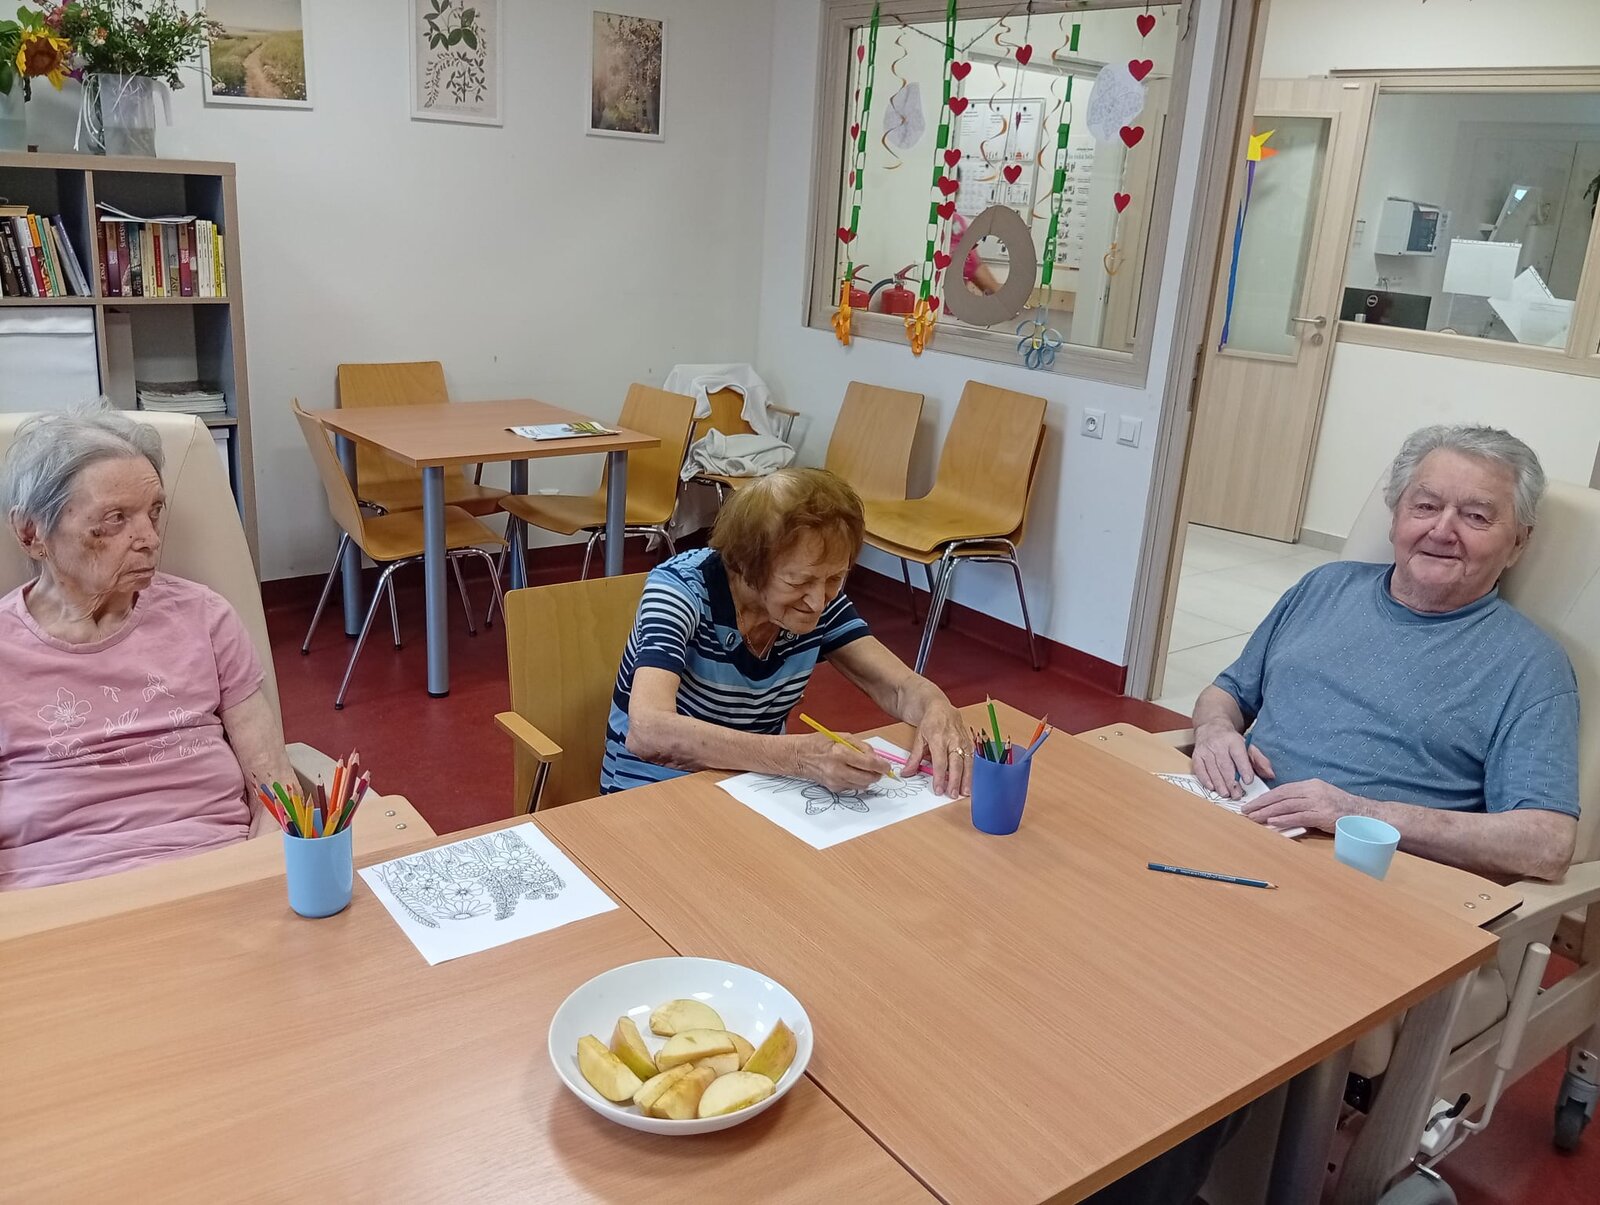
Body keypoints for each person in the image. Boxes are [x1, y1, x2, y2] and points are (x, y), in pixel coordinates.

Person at [1192, 424, 1579, 882]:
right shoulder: (1324, 587)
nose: (1442, 530)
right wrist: (1214, 730)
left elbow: (1546, 843)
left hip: (1361, 877)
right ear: (1396, 518)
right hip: (1232, 821)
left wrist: (1359, 813)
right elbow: (1227, 693)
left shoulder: (1532, 666)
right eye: (1425, 506)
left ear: (1518, 543)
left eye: (1475, 516)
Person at [0, 403, 296, 890]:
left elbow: (277, 792)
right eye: (115, 519)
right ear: (31, 532)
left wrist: (259, 889)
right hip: (54, 897)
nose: (150, 539)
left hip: (216, 878)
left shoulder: (205, 617)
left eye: (154, 512)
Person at [603, 467, 972, 797]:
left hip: (752, 788)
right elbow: (649, 731)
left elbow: (898, 687)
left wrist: (936, 706)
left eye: (835, 577)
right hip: (649, 794)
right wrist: (799, 758)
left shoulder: (819, 602)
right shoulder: (679, 590)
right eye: (798, 581)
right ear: (747, 564)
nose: (818, 601)